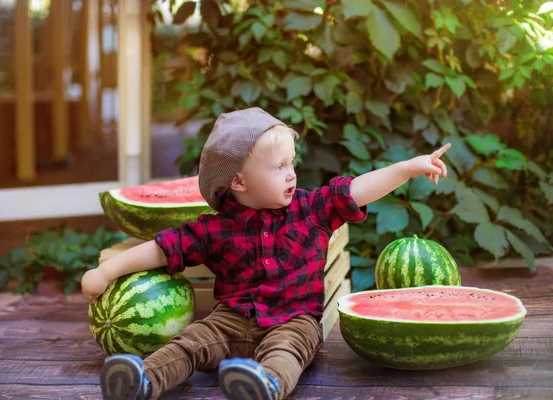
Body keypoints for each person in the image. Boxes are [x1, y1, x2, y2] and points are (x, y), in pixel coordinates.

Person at [81, 107, 451, 400]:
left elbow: (359, 189)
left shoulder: (312, 210)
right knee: (190, 342)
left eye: (291, 164)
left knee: (287, 352)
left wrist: (407, 168)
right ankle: (143, 380)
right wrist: (105, 272)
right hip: (231, 321)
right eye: (279, 167)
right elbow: (163, 249)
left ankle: (266, 386)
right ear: (238, 182)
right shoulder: (214, 228)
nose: (291, 175)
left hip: (295, 319)